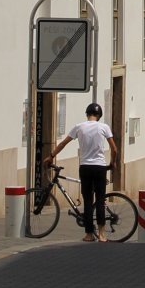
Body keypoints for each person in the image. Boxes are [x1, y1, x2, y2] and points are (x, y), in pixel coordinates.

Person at [53, 102, 118, 243]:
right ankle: (102, 235)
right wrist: (113, 162)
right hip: (100, 167)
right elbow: (114, 149)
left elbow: (63, 143)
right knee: (100, 201)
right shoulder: (104, 127)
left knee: (88, 201)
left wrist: (51, 156)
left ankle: (89, 234)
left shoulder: (79, 127)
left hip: (85, 167)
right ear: (99, 116)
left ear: (87, 114)